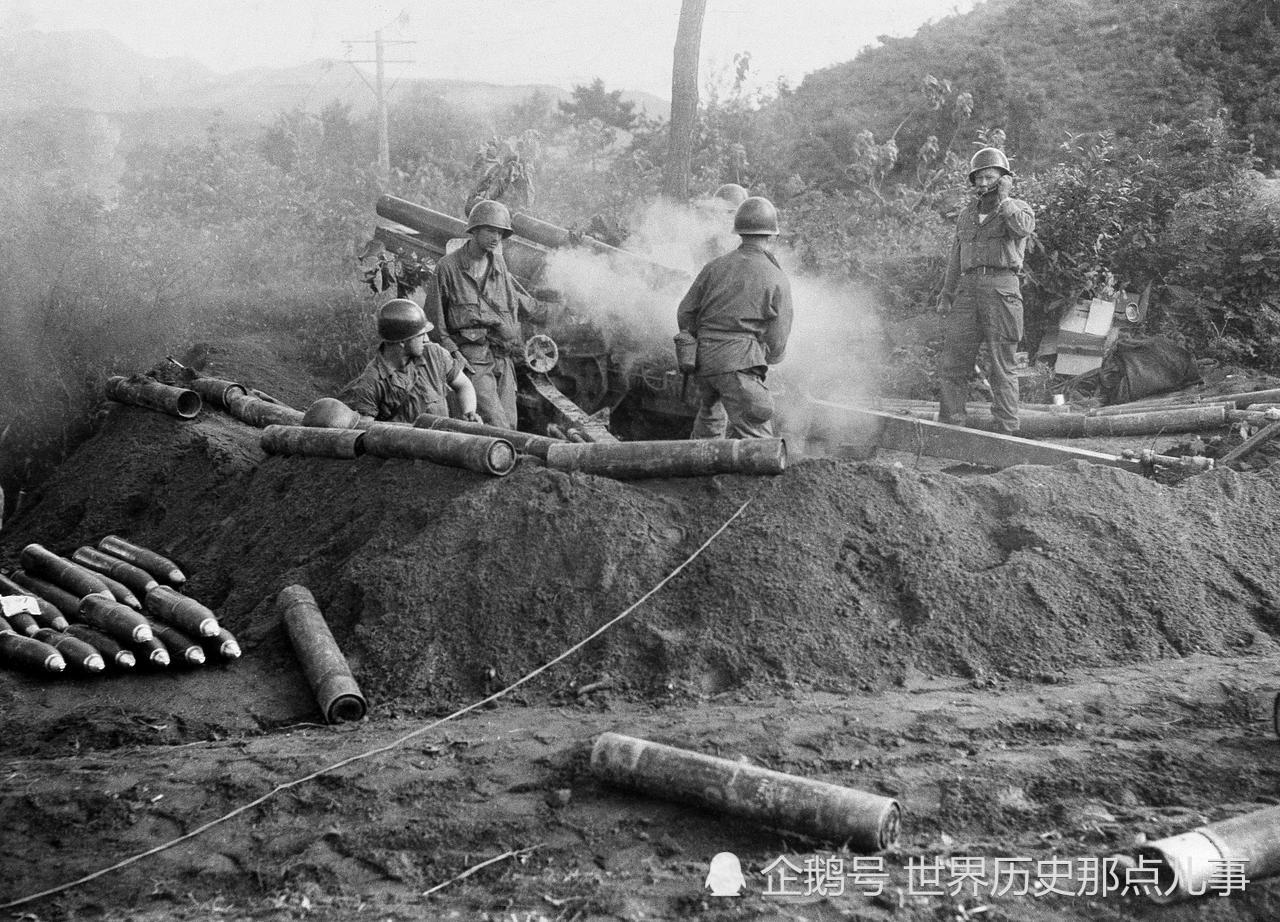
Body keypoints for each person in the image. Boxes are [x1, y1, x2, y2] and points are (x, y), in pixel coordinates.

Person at [676, 195, 794, 439]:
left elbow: (685, 312)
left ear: (739, 231)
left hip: (704, 363)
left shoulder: (714, 266)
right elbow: (779, 334)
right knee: (756, 431)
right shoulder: (776, 276)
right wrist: (771, 357)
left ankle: (699, 472)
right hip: (739, 361)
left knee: (709, 418)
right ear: (771, 235)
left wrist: (702, 342)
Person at [937, 146, 1036, 435]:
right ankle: (949, 429)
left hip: (1001, 290)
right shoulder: (966, 215)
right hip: (967, 292)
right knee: (953, 362)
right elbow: (956, 258)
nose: (982, 183)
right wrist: (946, 293)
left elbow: (1023, 229)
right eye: (978, 178)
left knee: (1002, 366)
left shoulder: (1018, 208)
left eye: (989, 177)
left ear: (1004, 178)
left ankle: (1006, 431)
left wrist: (1005, 199)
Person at [424, 199, 545, 429]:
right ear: (474, 230)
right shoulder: (448, 267)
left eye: (500, 233)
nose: (496, 238)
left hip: (502, 354)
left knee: (511, 421)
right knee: (496, 423)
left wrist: (513, 340)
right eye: (490, 230)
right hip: (471, 356)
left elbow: (511, 306)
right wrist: (454, 354)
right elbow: (434, 323)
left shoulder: (498, 263)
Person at [340, 298, 481, 424]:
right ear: (402, 342)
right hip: (404, 450)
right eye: (421, 335)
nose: (426, 339)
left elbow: (463, 385)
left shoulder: (434, 354)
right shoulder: (370, 383)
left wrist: (469, 412)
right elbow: (366, 433)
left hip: (442, 444)